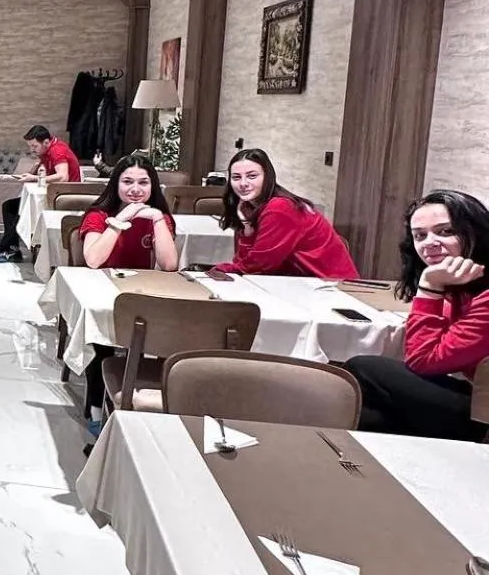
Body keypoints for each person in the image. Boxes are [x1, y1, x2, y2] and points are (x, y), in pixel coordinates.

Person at [345, 190, 489, 441]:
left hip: (484, 413)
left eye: (446, 231)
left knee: (363, 369)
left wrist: (429, 285)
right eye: (420, 235)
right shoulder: (464, 286)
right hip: (476, 396)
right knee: (370, 412)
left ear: (476, 232)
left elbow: (423, 360)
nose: (430, 242)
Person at [77, 155, 179, 442]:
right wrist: (119, 222)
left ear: (153, 186)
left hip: (143, 294)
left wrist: (157, 219)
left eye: (143, 183)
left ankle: (153, 401)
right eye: (127, 182)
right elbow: (93, 260)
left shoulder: (158, 217)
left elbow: (169, 265)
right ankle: (96, 408)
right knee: (102, 341)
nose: (135, 189)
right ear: (116, 184)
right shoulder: (98, 215)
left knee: (170, 331)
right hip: (104, 291)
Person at [213, 148, 358, 278]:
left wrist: (216, 271)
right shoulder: (247, 207)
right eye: (236, 177)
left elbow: (257, 266)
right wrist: (248, 228)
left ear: (267, 177)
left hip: (333, 286)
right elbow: (246, 264)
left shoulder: (280, 207)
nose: (243, 183)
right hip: (299, 282)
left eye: (252, 176)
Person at [0, 125, 82, 263]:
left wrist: (34, 178)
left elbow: (63, 176)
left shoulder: (58, 150)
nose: (32, 149)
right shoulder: (47, 151)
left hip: (64, 199)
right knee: (9, 206)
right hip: (54, 194)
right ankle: (11, 249)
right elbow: (43, 171)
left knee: (22, 210)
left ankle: (3, 248)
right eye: (30, 146)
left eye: (34, 146)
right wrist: (34, 169)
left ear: (46, 142)